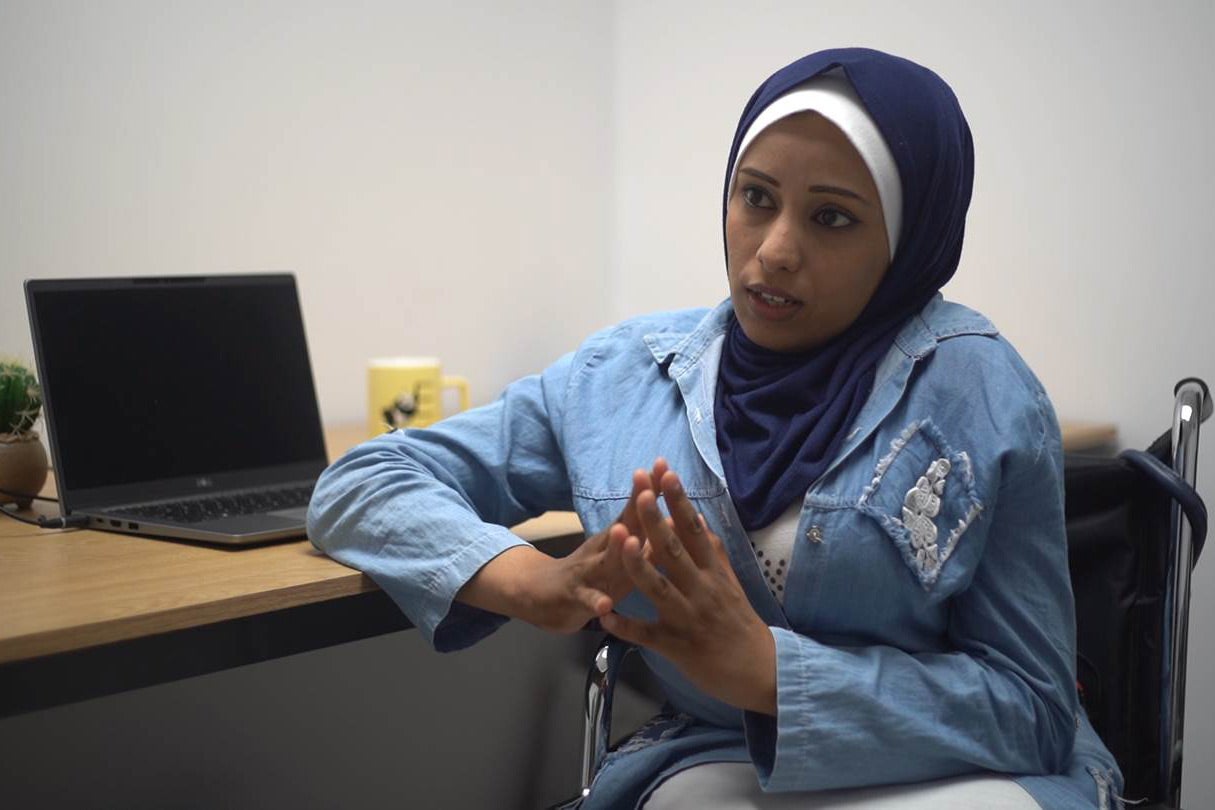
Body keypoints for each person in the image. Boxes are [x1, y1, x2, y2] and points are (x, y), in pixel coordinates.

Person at [308, 47, 1123, 809]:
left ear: (908, 240)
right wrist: (531, 583)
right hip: (719, 756)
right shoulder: (621, 379)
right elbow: (361, 484)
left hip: (962, 775)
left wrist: (773, 675)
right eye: (756, 198)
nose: (774, 251)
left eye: (831, 218)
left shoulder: (979, 391)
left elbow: (1034, 710)